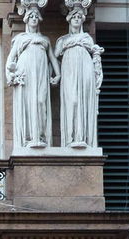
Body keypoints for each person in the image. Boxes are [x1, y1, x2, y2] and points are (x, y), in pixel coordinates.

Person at [5, 2, 59, 149]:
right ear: (27, 19)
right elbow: (11, 59)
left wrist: (58, 75)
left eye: (36, 16)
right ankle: (29, 137)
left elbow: (53, 59)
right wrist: (10, 74)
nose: (34, 18)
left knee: (41, 101)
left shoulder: (45, 40)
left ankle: (40, 136)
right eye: (31, 16)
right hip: (26, 73)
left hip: (41, 74)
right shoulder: (21, 39)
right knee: (29, 103)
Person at [54, 0, 103, 148]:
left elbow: (95, 53)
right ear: (69, 19)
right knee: (72, 101)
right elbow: (55, 55)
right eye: (74, 17)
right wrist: (56, 74)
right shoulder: (62, 40)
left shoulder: (87, 38)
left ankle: (82, 137)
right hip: (69, 70)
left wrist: (96, 55)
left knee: (83, 101)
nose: (76, 19)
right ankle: (70, 138)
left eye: (79, 17)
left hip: (84, 69)